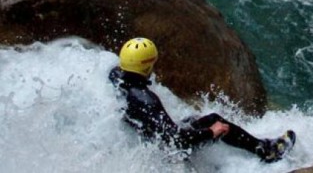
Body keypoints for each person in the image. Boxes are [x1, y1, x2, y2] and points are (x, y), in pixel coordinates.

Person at [109, 37, 295, 163]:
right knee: (217, 122)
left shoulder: (115, 76)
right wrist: (211, 132)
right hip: (167, 153)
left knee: (191, 120)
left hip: (147, 142)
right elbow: (175, 141)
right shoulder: (147, 99)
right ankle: (266, 151)